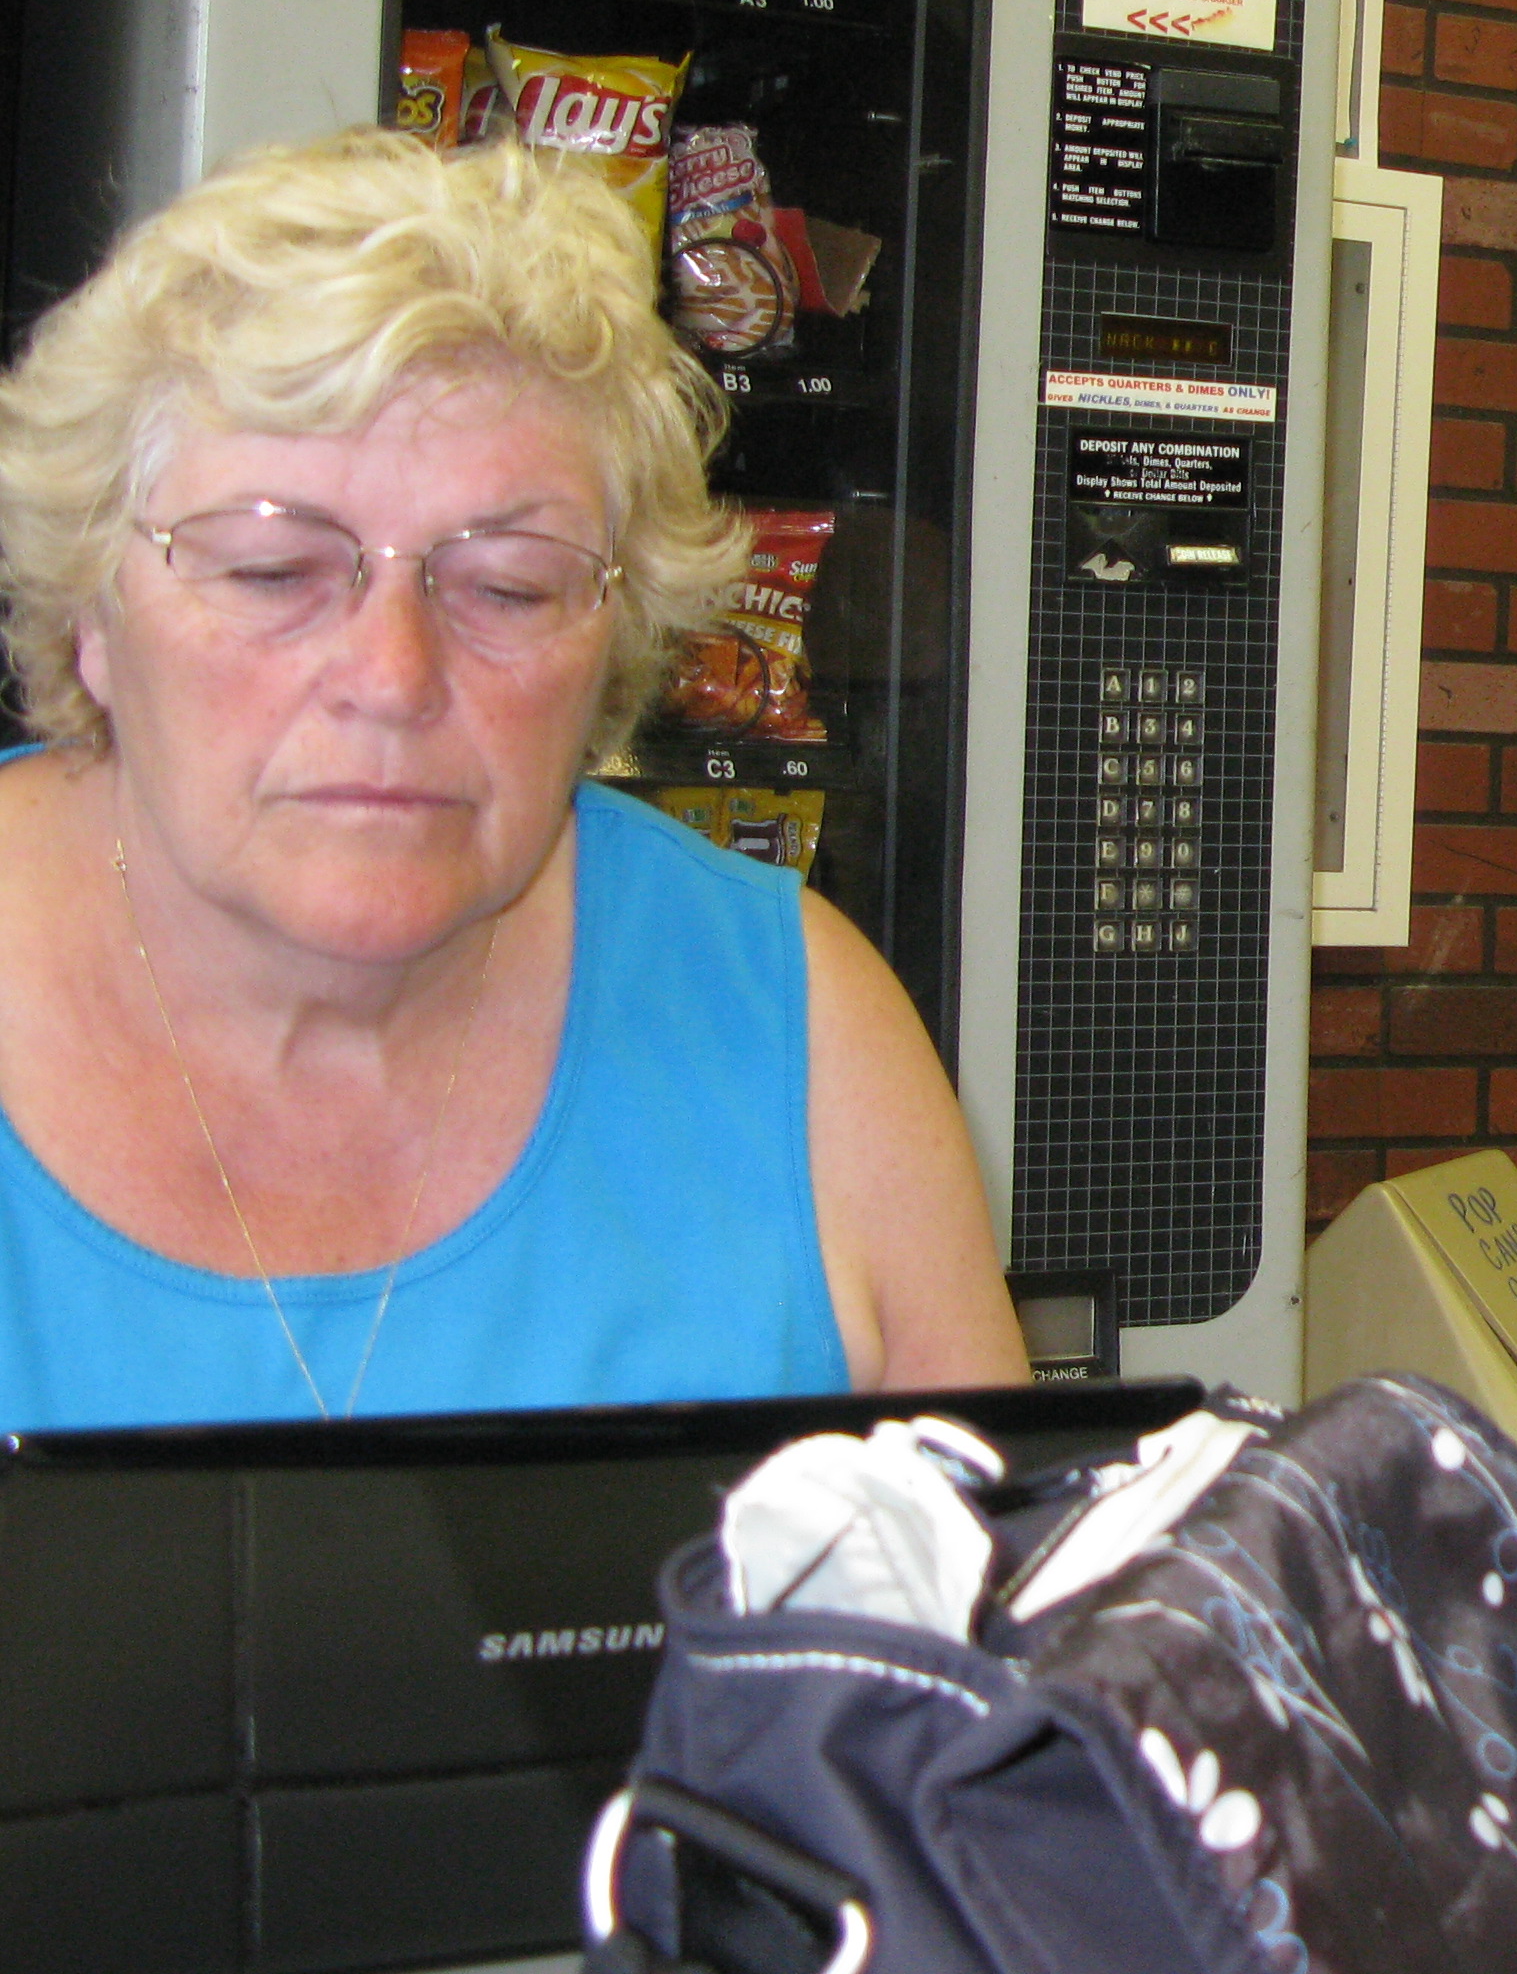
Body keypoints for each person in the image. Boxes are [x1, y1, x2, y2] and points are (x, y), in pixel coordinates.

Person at [0, 130, 1025, 1429]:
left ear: (614, 646)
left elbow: (1002, 1557)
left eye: (509, 588)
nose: (392, 676)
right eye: (271, 570)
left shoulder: (805, 1032)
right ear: (93, 613)